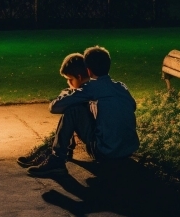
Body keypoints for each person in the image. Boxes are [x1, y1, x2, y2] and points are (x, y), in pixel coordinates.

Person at [24, 45, 140, 177]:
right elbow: (133, 106)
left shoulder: (91, 88)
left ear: (88, 70)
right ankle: (64, 151)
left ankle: (57, 159)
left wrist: (68, 93)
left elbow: (55, 107)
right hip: (128, 149)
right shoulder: (121, 87)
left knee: (73, 110)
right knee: (83, 109)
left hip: (105, 151)